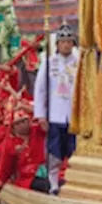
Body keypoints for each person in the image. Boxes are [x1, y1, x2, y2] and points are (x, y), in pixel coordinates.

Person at [33, 23, 80, 194]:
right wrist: (41, 115)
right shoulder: (49, 62)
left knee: (72, 149)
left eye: (69, 42)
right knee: (54, 150)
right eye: (62, 42)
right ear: (57, 44)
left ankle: (71, 180)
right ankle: (53, 182)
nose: (66, 45)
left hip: (73, 115)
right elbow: (40, 90)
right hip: (55, 113)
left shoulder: (79, 62)